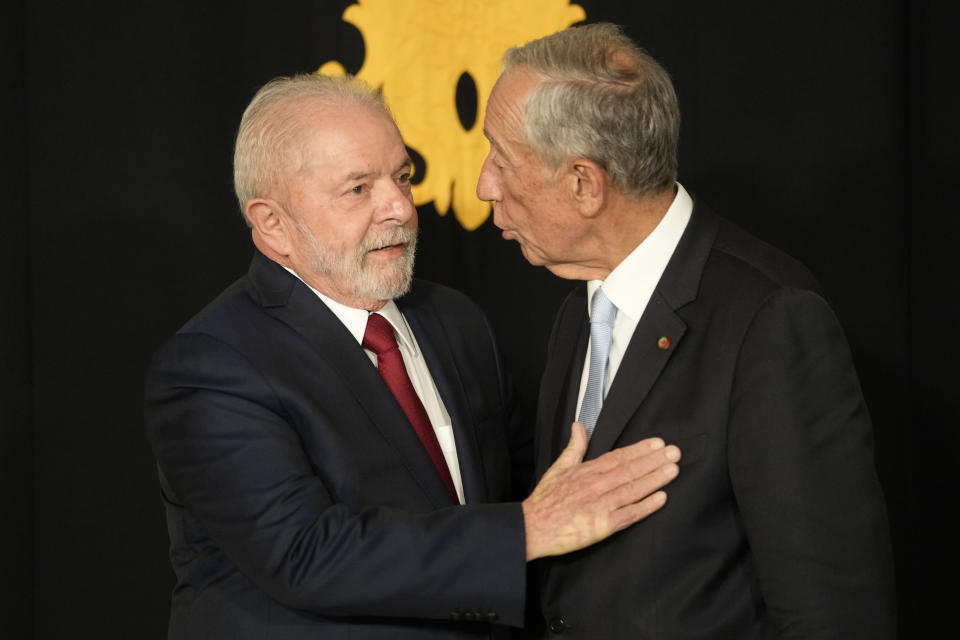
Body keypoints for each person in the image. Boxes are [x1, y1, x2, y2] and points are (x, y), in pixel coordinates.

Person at [144, 73, 682, 640]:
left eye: (402, 177)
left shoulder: (454, 320)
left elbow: (525, 489)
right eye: (358, 189)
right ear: (272, 224)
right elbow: (305, 557)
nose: (400, 208)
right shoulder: (212, 366)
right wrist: (526, 529)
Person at [477, 22, 896, 639]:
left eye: (502, 159)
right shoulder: (580, 310)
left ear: (583, 184)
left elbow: (832, 612)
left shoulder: (771, 319)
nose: (485, 185)